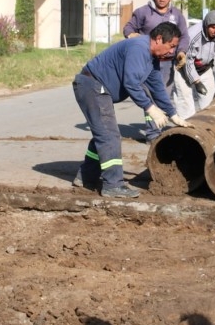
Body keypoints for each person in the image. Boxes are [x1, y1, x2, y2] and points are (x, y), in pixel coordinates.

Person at [72, 22, 193, 198]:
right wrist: (150, 108)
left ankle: (85, 177)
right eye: (171, 46)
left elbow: (157, 87)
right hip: (92, 85)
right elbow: (131, 83)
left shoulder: (152, 59)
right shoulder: (139, 48)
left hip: (98, 88)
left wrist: (173, 114)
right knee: (109, 136)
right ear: (159, 39)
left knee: (102, 135)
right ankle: (113, 185)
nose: (172, 52)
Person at [122, 0, 190, 142]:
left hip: (167, 64)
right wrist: (132, 36)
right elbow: (128, 28)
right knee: (149, 97)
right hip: (147, 60)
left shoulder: (177, 15)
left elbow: (184, 36)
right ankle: (153, 134)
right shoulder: (143, 12)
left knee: (162, 96)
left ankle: (157, 130)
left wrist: (181, 51)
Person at [172, 10, 215, 118]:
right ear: (206, 25)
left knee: (208, 100)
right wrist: (196, 81)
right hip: (183, 67)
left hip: (204, 68)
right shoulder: (193, 35)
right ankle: (187, 128)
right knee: (185, 101)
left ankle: (205, 127)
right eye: (213, 27)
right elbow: (188, 60)